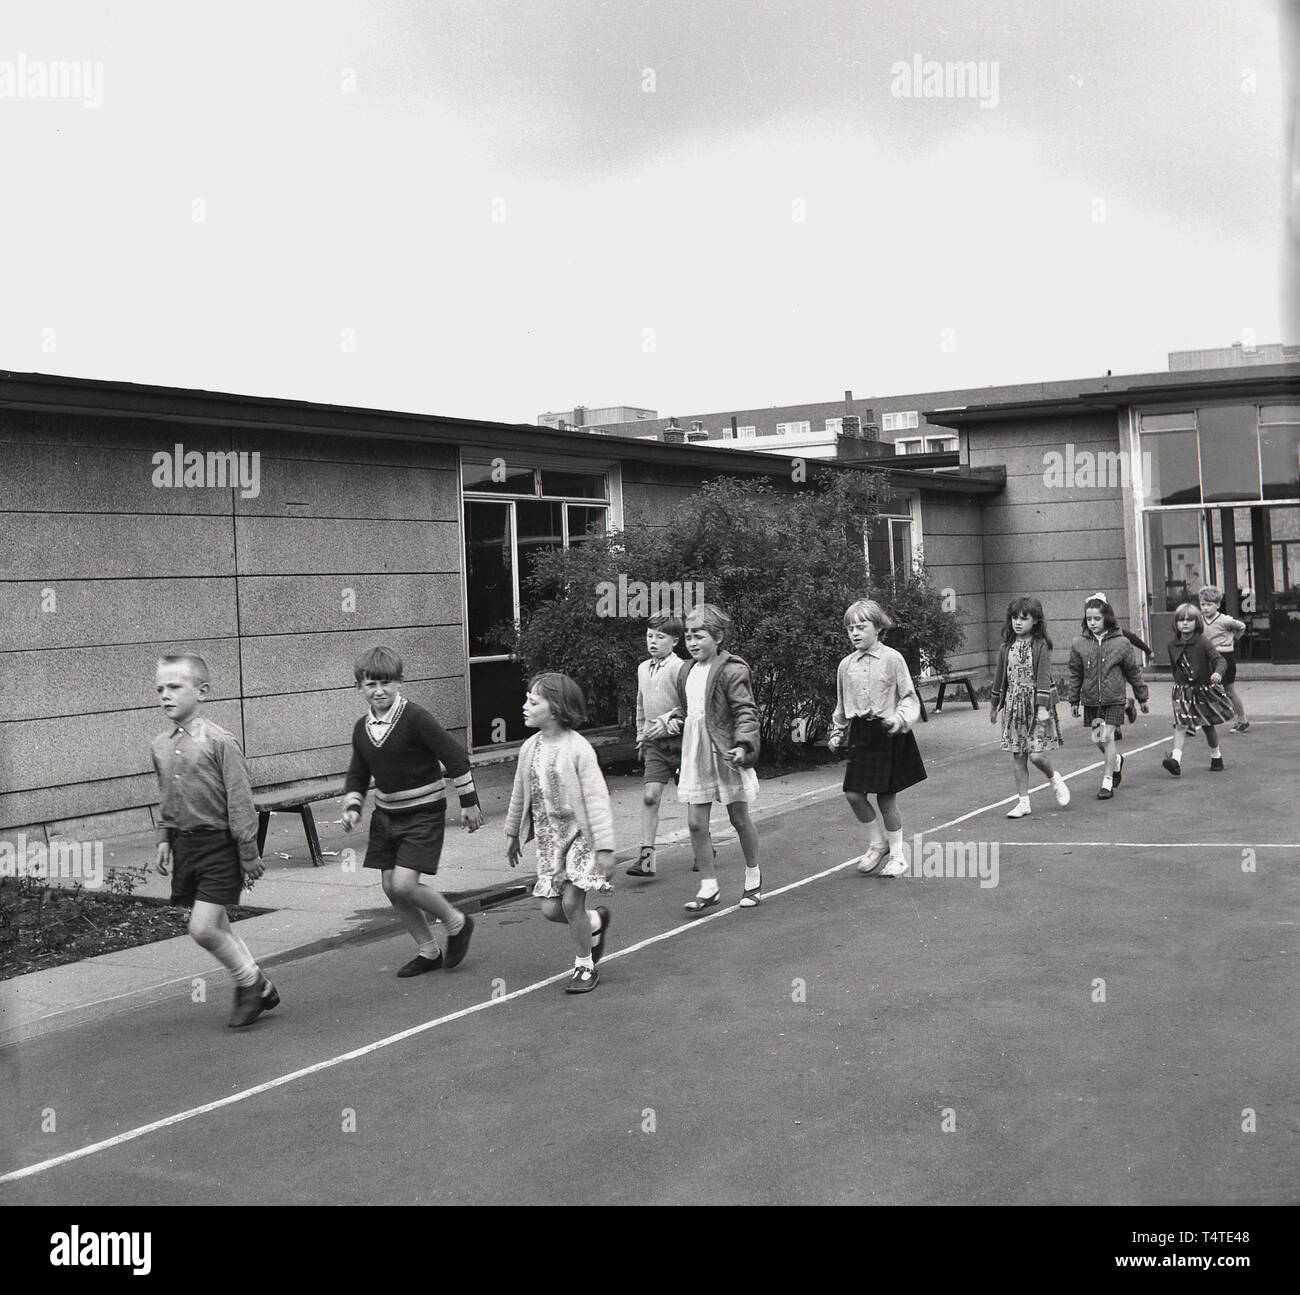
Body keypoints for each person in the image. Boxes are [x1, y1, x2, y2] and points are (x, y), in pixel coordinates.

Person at [151, 653, 279, 1028]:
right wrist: (164, 837)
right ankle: (262, 985)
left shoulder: (220, 741)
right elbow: (167, 797)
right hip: (186, 846)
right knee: (218, 926)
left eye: (174, 687)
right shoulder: (160, 745)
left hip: (220, 844)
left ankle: (248, 984)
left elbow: (240, 800)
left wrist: (248, 853)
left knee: (203, 928)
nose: (165, 695)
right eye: (160, 688)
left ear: (202, 691)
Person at [341, 646, 484, 977]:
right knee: (391, 887)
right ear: (359, 687)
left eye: (386, 683)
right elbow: (358, 773)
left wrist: (469, 802)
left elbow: (455, 757)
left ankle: (456, 922)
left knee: (405, 884)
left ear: (399, 682)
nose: (379, 691)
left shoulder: (415, 717)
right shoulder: (362, 728)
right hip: (386, 816)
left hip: (424, 812)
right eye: (371, 684)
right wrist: (352, 807)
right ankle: (428, 950)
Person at [505, 673, 615, 993]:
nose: (525, 706)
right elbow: (518, 793)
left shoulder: (578, 748)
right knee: (550, 909)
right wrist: (513, 833)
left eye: (533, 701)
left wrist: (605, 848)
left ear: (555, 709)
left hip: (580, 836)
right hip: (549, 839)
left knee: (570, 903)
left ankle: (584, 965)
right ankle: (595, 923)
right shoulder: (530, 748)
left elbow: (597, 799)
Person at [661, 604, 764, 911]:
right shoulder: (685, 671)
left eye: (699, 636)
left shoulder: (733, 669)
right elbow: (692, 708)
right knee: (695, 822)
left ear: (717, 637)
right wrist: (675, 719)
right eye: (688, 636)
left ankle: (753, 877)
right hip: (696, 751)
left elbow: (746, 711)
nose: (692, 643)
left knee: (738, 817)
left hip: (725, 751)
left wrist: (744, 745)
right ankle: (709, 886)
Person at [827, 599, 926, 876]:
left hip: (888, 731)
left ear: (878, 628)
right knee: (853, 794)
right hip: (861, 733)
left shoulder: (893, 659)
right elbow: (841, 704)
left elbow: (908, 697)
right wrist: (837, 731)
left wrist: (900, 719)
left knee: (886, 798)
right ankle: (877, 843)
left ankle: (897, 856)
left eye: (861, 627)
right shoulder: (845, 665)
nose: (855, 633)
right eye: (850, 629)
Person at [989, 597, 1070, 817]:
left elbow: (1043, 677)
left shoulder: (1040, 645)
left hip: (1036, 706)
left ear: (1035, 621)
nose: (1018, 622)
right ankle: (1023, 802)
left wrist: (1043, 707)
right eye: (1014, 618)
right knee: (1018, 756)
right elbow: (999, 679)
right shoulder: (1006, 647)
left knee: (1035, 755)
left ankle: (1054, 778)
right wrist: (995, 704)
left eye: (1024, 618)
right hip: (1014, 706)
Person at [1068, 597, 1149, 799]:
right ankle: (1117, 761)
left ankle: (1107, 782)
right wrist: (1073, 700)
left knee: (1106, 737)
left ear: (1107, 618)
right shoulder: (1079, 643)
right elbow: (1076, 673)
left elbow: (1133, 672)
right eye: (1089, 619)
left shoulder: (1121, 642)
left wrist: (1142, 697)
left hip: (1114, 699)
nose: (1093, 622)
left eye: (1097, 618)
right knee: (1098, 739)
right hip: (1092, 700)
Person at [626, 614, 688, 878]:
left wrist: (676, 721)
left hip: (683, 741)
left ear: (674, 641)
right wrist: (641, 735)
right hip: (654, 744)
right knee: (650, 796)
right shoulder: (642, 668)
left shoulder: (681, 668)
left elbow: (689, 706)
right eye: (650, 636)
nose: (653, 641)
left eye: (660, 637)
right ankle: (646, 859)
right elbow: (641, 704)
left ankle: (703, 846)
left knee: (692, 798)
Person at [1160, 604, 1235, 776]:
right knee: (1180, 725)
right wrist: (1179, 684)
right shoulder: (1172, 645)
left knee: (1208, 726)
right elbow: (1175, 667)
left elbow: (1220, 660)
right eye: (1181, 620)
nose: (1185, 623)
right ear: (1176, 623)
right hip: (1183, 691)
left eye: (1189, 620)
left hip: (1202, 690)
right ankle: (1175, 760)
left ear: (1197, 622)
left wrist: (1217, 673)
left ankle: (1216, 755)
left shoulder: (1202, 642)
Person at [1197, 585, 1249, 731]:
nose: (1206, 608)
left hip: (1225, 656)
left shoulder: (1225, 620)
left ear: (1218, 605)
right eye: (1203, 604)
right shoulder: (1200, 620)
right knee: (1202, 688)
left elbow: (1242, 626)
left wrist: (1234, 639)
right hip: (1208, 657)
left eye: (1209, 604)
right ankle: (1201, 719)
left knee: (1229, 690)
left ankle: (1242, 720)